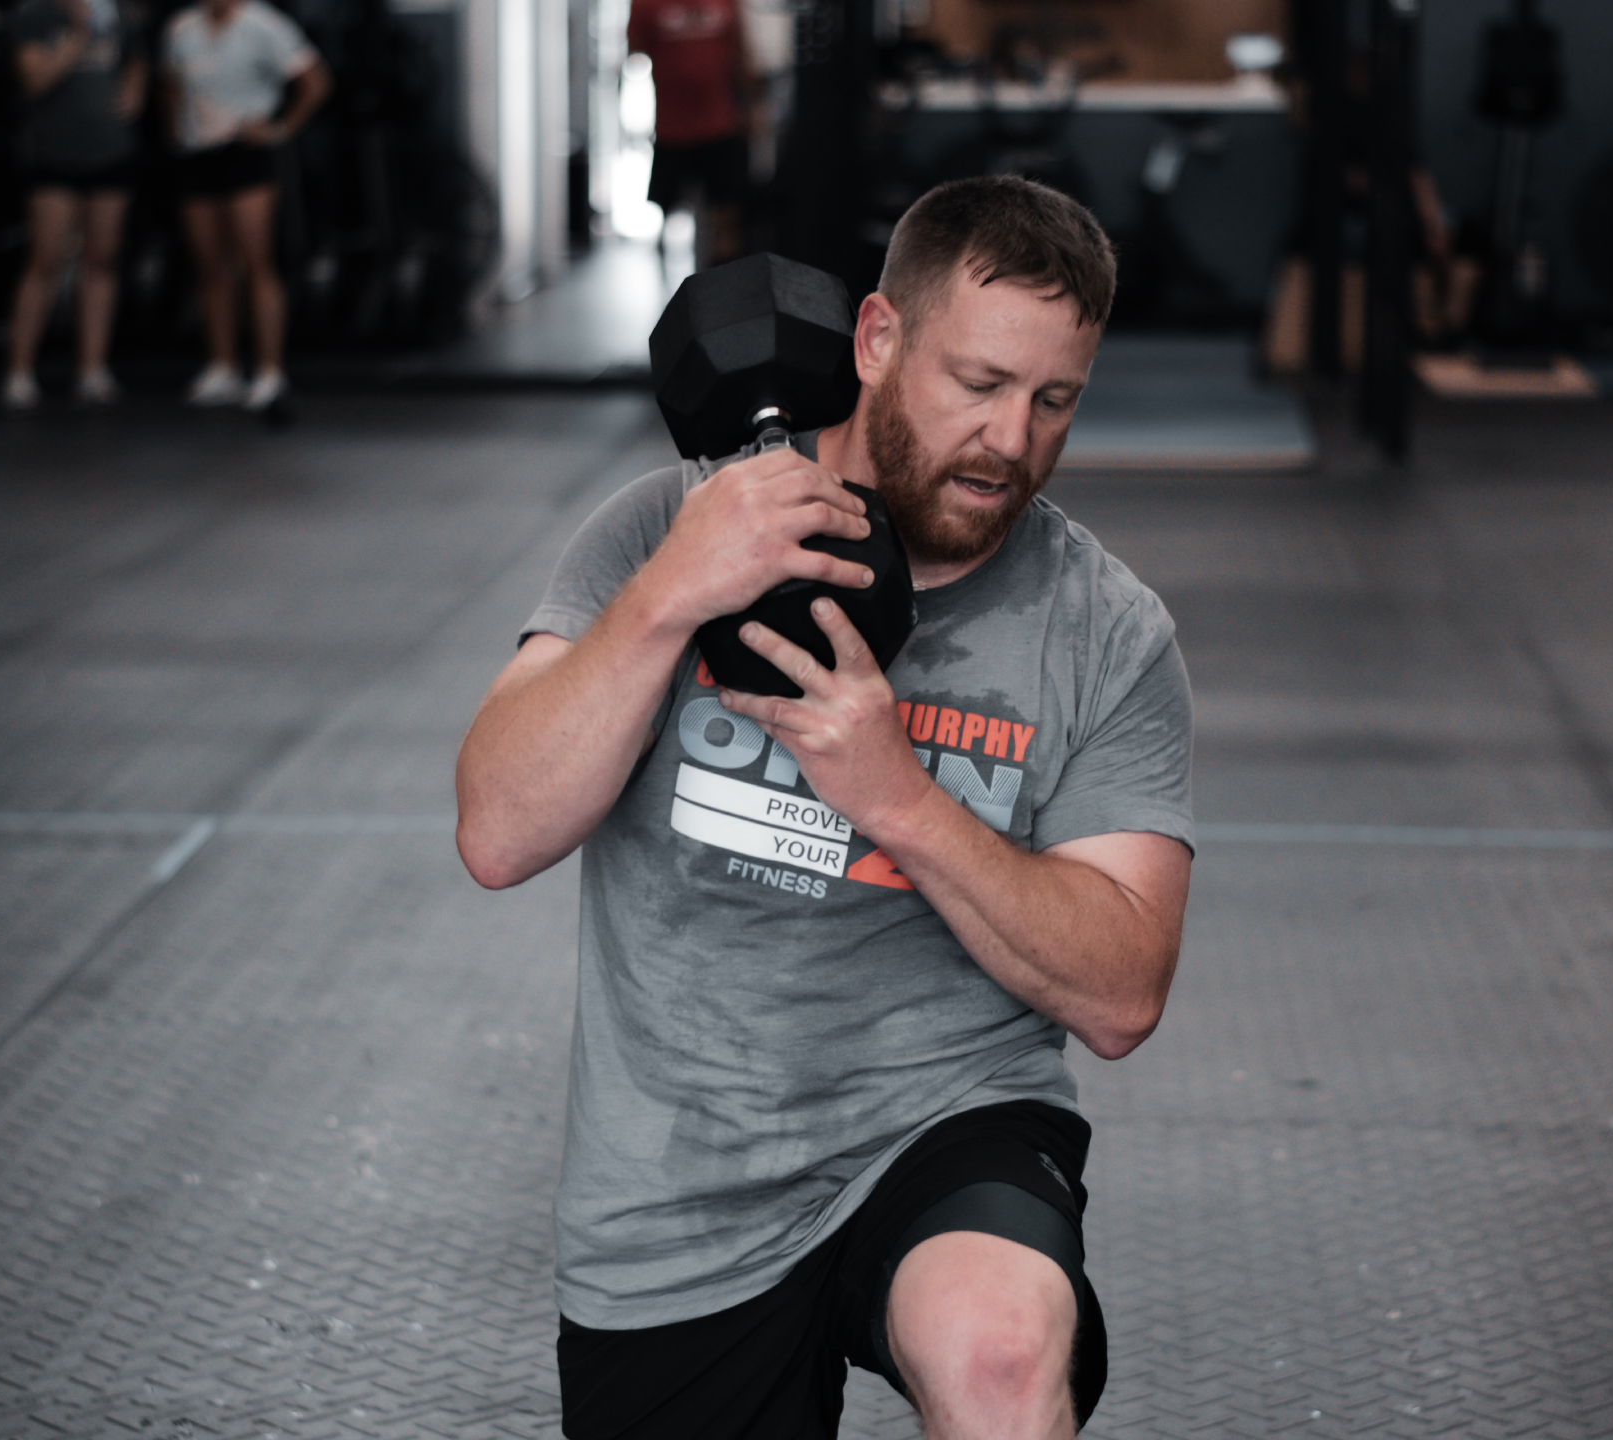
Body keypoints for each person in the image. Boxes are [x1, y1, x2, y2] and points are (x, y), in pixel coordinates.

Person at [455, 176, 1194, 1439]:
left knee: (1005, 1353)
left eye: (1052, 399)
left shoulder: (1105, 632)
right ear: (876, 340)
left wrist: (895, 794)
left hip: (946, 1121)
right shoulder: (660, 529)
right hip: (681, 1178)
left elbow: (1124, 993)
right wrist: (666, 598)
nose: (1012, 441)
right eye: (978, 383)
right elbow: (498, 832)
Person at [160, 0, 331, 411]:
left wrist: (280, 128)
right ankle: (224, 367)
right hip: (197, 155)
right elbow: (170, 85)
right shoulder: (181, 28)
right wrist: (176, 136)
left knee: (256, 262)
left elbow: (316, 83)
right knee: (211, 268)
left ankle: (270, 372)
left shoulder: (265, 25)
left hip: (245, 153)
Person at [2, 0, 147, 410]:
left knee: (102, 259)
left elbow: (136, 59)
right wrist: (78, 37)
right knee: (46, 259)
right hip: (55, 156)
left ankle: (92, 369)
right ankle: (19, 372)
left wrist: (134, 91)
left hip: (111, 152)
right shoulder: (35, 15)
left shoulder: (117, 13)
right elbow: (34, 79)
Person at [627, 0, 760, 269]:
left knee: (727, 212)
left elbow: (740, 51)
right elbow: (634, 48)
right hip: (671, 126)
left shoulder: (726, 3)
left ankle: (723, 282)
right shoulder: (646, 4)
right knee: (665, 208)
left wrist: (755, 106)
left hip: (720, 123)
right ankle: (664, 282)